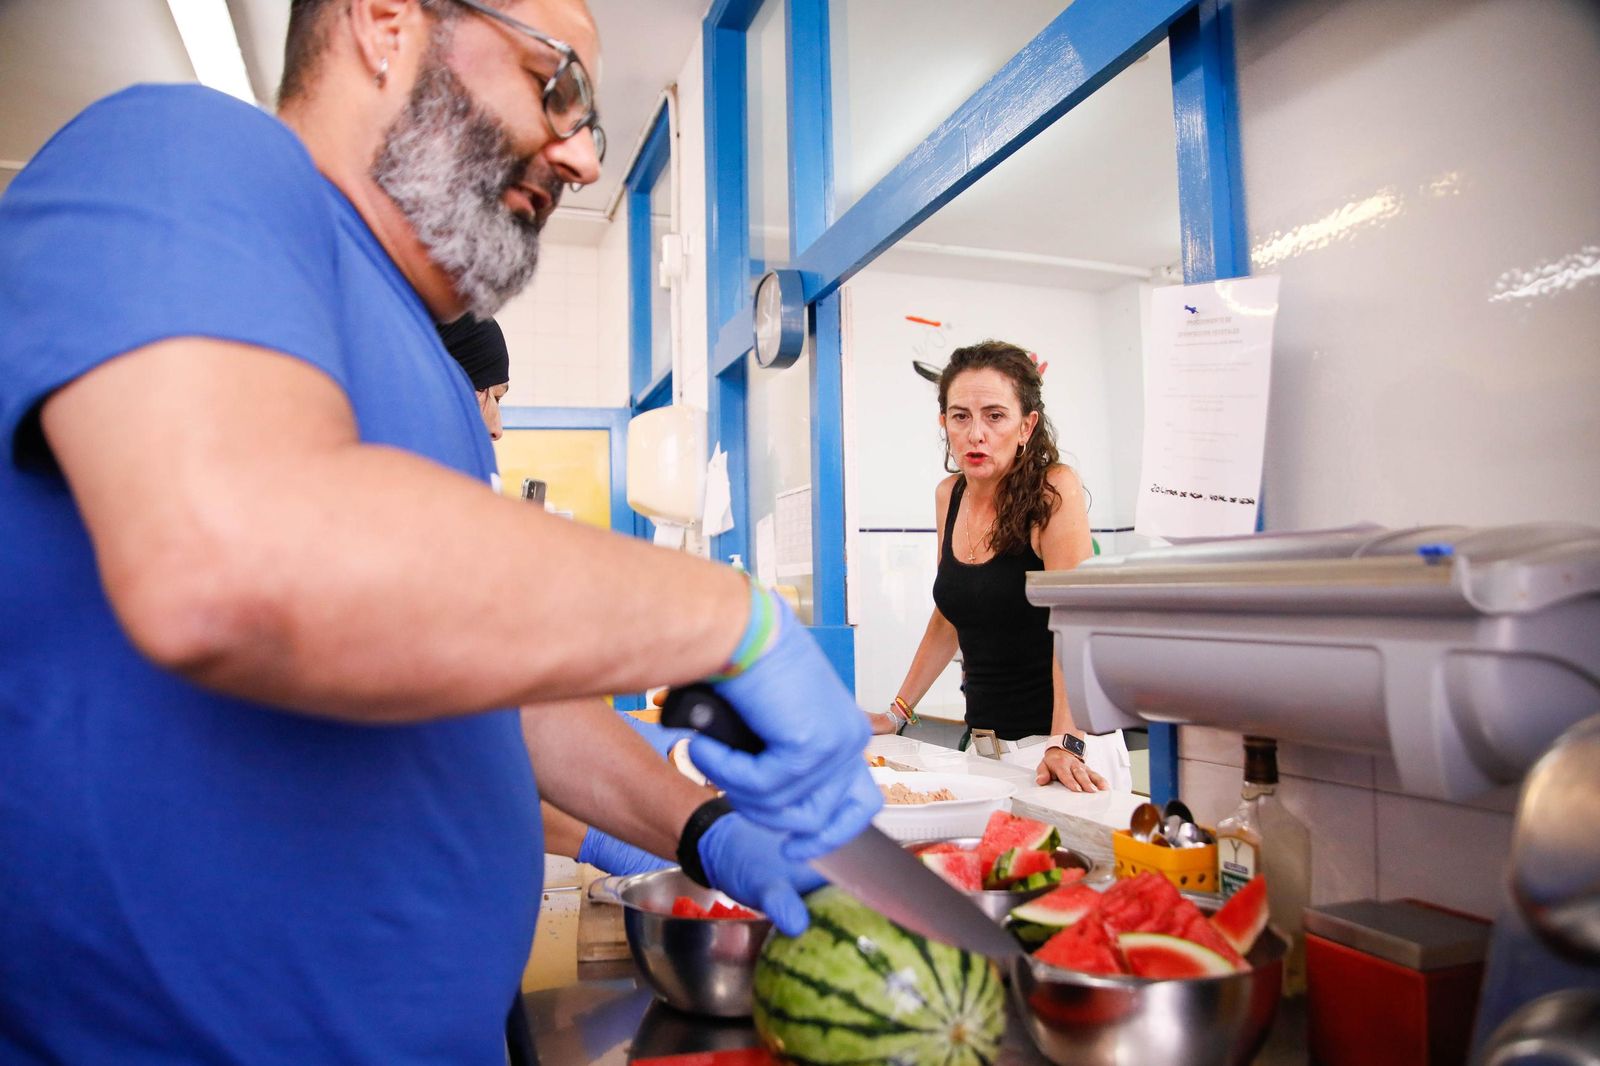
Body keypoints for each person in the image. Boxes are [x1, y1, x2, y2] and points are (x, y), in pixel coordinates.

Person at [0, 1, 868, 1062]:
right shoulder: (187, 148)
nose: (585, 155)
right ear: (383, 22)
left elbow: (508, 701)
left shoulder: (430, 370)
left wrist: (706, 829)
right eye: (560, 88)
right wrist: (733, 620)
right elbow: (236, 553)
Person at [868, 340, 1131, 794]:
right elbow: (949, 613)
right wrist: (897, 713)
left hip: (1062, 751)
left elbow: (1077, 618)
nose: (976, 434)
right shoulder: (948, 495)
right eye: (960, 416)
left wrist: (1067, 740)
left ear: (1027, 425)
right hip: (986, 750)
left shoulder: (1053, 489)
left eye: (995, 415)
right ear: (943, 423)